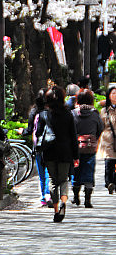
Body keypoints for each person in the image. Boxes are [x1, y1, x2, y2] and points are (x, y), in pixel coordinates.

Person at [35, 86, 79, 222]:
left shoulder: (44, 115)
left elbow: (38, 134)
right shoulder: (68, 114)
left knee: (53, 181)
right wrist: (76, 156)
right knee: (64, 179)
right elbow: (73, 135)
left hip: (49, 152)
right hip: (65, 151)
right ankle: (63, 202)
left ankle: (55, 210)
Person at [71, 89, 103, 207]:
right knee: (89, 171)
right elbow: (100, 128)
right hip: (90, 147)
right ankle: (87, 199)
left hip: (76, 146)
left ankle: (76, 197)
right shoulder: (95, 113)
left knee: (76, 170)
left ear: (78, 99)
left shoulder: (73, 113)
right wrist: (94, 138)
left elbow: (70, 130)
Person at [22, 89, 50, 206]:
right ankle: (49, 194)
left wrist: (21, 131)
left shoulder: (34, 111)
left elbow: (29, 130)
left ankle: (43, 197)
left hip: (38, 146)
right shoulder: (53, 111)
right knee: (49, 172)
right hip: (51, 146)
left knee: (42, 174)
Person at [99, 84, 116, 194]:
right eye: (113, 93)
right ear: (109, 95)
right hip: (108, 139)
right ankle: (109, 182)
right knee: (109, 162)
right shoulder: (104, 111)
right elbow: (101, 125)